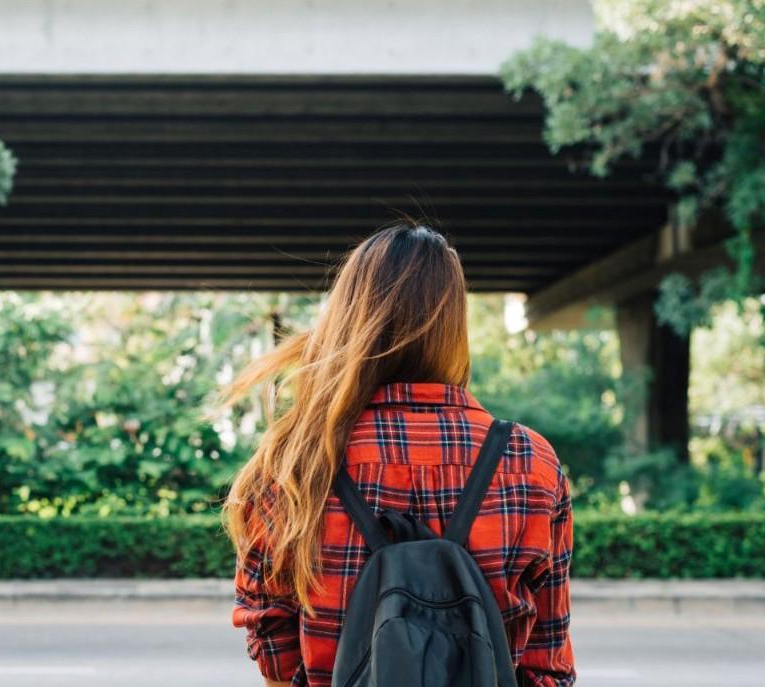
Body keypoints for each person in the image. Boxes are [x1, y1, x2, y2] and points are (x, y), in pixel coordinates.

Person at [223, 224, 575, 687]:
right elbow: (547, 667)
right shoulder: (529, 461)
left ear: (349, 318)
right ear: (453, 326)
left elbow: (272, 647)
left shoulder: (294, 463)